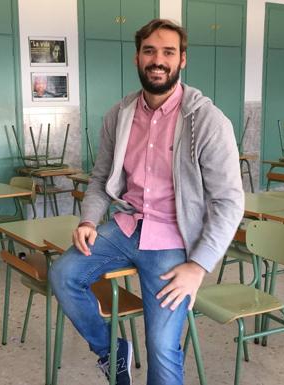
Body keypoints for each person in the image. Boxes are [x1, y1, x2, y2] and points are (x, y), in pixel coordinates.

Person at [49, 18, 244, 385]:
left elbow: (229, 202)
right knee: (63, 274)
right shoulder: (119, 115)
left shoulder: (208, 121)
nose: (158, 60)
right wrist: (88, 221)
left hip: (172, 239)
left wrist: (198, 267)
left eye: (168, 52)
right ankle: (111, 350)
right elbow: (99, 178)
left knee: (161, 346)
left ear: (182, 60)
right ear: (137, 58)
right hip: (125, 226)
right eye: (149, 51)